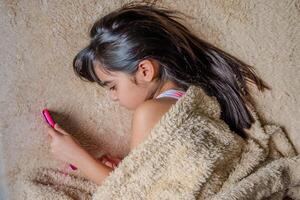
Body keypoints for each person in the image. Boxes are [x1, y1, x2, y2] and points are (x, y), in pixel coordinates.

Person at [45, 2, 269, 186]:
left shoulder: (148, 112)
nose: (112, 97)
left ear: (144, 70)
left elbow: (132, 191)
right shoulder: (190, 97)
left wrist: (75, 156)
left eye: (112, 86)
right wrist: (125, 168)